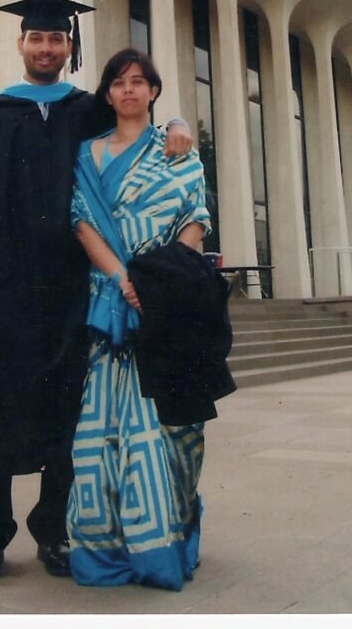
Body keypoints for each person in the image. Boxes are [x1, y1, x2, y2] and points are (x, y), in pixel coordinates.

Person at [0, 0, 194, 584]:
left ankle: (53, 531)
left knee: (67, 415)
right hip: (1, 290)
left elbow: (137, 122)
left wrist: (180, 125)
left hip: (69, 290)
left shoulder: (85, 110)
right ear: (21, 44)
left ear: (68, 48)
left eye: (56, 39)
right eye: (37, 38)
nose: (46, 48)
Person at [67, 48, 235, 591]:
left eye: (139, 81)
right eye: (119, 82)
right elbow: (83, 224)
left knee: (173, 430)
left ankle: (170, 539)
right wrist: (125, 280)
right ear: (107, 93)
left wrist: (159, 282)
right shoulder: (86, 154)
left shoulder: (176, 151)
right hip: (110, 304)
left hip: (165, 306)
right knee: (101, 435)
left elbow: (194, 221)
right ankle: (109, 547)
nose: (129, 90)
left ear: (154, 91)